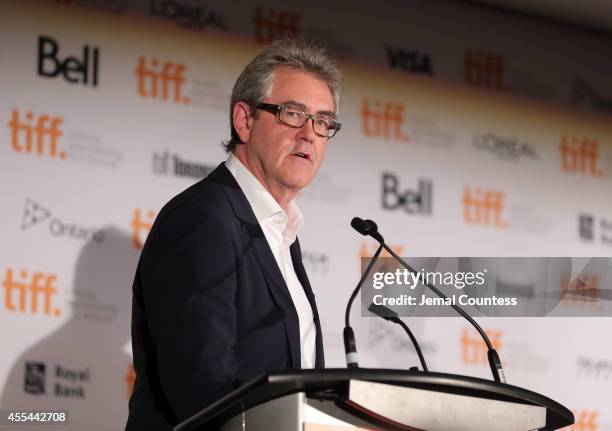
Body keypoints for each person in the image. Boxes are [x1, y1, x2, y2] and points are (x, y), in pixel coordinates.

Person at [126, 38, 343, 430]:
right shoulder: (202, 219)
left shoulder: (280, 232)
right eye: (293, 114)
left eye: (323, 122)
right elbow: (202, 387)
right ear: (244, 120)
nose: (310, 133)